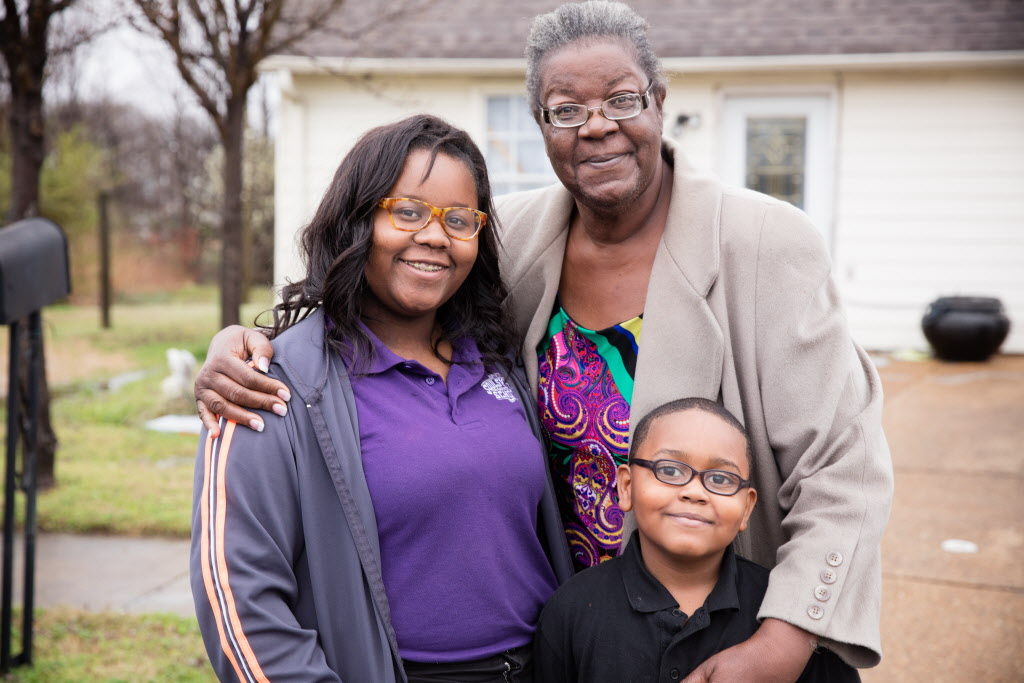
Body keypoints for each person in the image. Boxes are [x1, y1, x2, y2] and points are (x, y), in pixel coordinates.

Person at [194, 2, 893, 679]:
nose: (597, 128)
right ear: (542, 125)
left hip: (719, 640)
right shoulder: (514, 240)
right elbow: (368, 288)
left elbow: (845, 467)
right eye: (567, 110)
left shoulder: (765, 243)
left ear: (658, 101)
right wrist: (239, 343)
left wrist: (785, 637)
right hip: (572, 641)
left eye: (622, 100)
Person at [190, 114, 572, 683]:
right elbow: (237, 595)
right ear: (357, 222)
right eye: (408, 212)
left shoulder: (502, 360)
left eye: (459, 220)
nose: (436, 237)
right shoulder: (274, 380)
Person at [533, 397, 859, 682]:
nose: (694, 491)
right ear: (627, 486)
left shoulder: (784, 614)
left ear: (746, 507)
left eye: (720, 479)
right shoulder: (571, 610)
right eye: (670, 471)